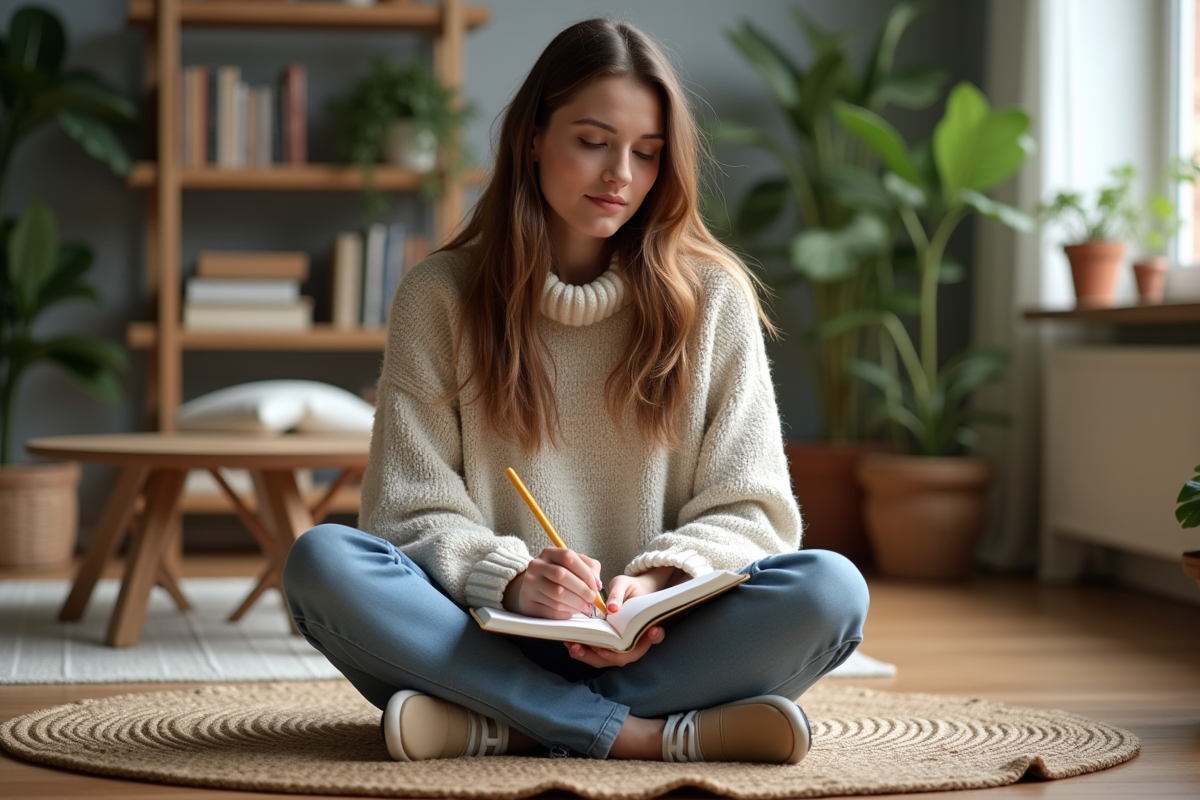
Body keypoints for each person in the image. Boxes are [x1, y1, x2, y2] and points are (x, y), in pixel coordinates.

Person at [283, 17, 869, 764]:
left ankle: (504, 725)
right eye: (593, 141)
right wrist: (514, 580)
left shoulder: (712, 299)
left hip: (660, 644)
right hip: (480, 632)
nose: (620, 173)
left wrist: (658, 582)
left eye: (647, 153)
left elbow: (751, 509)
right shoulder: (439, 296)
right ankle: (639, 736)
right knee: (324, 563)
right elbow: (406, 507)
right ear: (533, 136)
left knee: (832, 591)